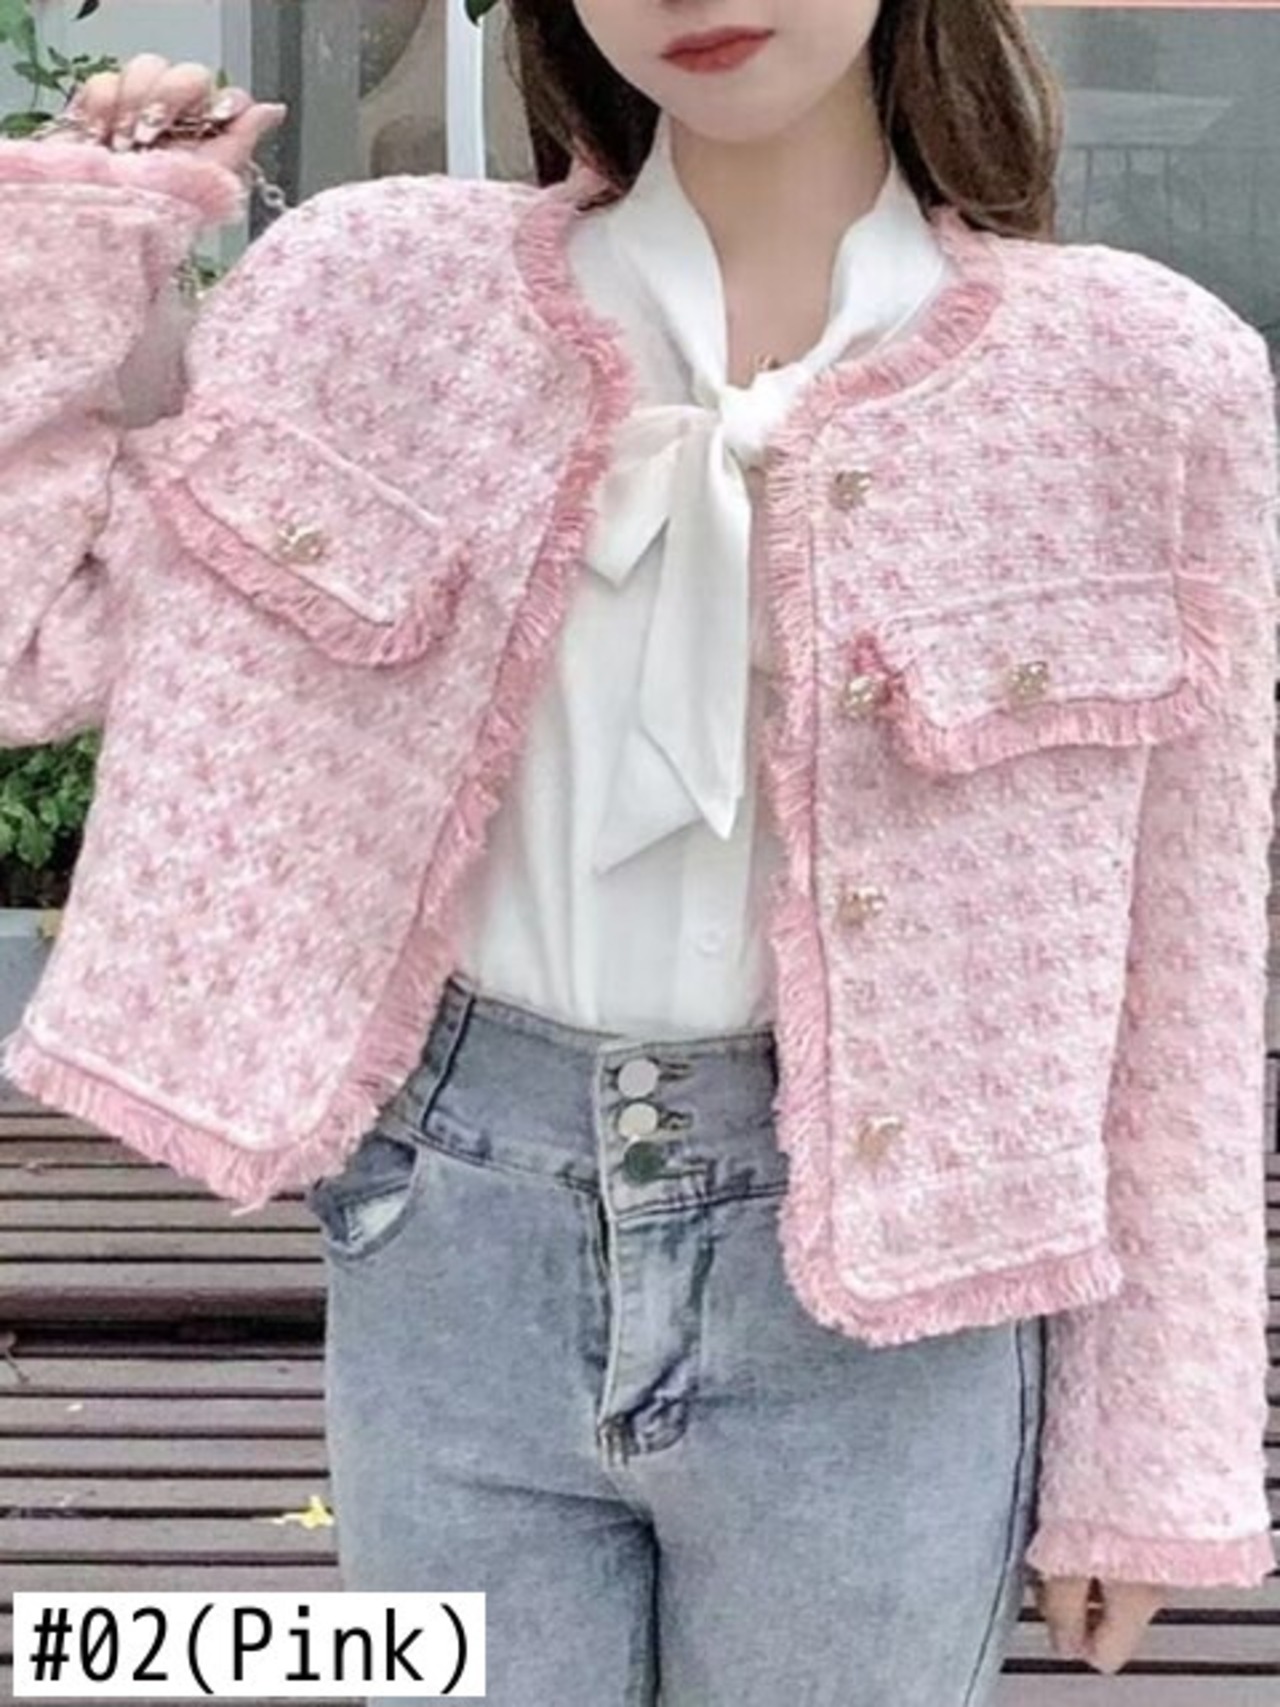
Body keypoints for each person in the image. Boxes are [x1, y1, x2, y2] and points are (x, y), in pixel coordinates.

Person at [2, 3, 1275, 1701]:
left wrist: (1155, 1461)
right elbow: (33, 643)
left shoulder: (1140, 379)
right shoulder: (374, 296)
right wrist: (75, 240)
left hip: (901, 1301)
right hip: (452, 1246)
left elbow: (1190, 964)